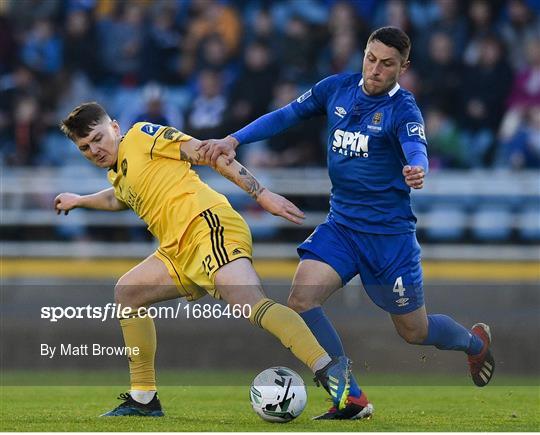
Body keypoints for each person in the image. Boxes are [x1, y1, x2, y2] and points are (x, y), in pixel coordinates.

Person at [200, 26, 495, 420]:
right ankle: (351, 398)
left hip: (389, 239)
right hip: (341, 226)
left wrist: (417, 169)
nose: (374, 69)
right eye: (370, 59)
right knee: (301, 300)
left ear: (403, 67)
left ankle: (473, 344)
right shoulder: (336, 88)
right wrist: (235, 139)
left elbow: (416, 147)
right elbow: (288, 114)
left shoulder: (403, 109)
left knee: (414, 331)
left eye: (386, 64)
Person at [54, 102, 352, 417]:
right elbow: (118, 197)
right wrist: (80, 200)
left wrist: (261, 193)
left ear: (115, 127)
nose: (95, 150)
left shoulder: (142, 135)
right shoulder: (120, 172)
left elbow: (208, 153)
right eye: (85, 148)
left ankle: (330, 372)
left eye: (98, 138)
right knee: (128, 292)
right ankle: (143, 399)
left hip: (208, 226)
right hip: (178, 249)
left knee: (249, 303)